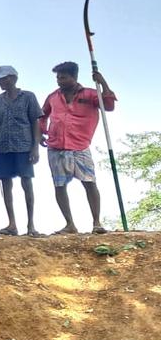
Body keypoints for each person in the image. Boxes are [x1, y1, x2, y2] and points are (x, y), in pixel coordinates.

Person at [40, 62, 117, 235]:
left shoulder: (90, 94)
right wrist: (41, 132)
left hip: (80, 146)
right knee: (59, 185)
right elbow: (42, 115)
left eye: (63, 77)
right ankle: (69, 224)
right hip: (56, 147)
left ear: (74, 77)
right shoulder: (53, 97)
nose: (59, 81)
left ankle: (96, 223)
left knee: (89, 183)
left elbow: (109, 105)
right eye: (58, 77)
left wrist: (102, 82)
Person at [0, 65, 44, 237]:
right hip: (1, 147)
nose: (0, 82)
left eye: (3, 79)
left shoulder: (28, 96)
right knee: (6, 184)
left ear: (12, 78)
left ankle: (31, 225)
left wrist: (35, 147)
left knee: (26, 182)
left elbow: (35, 121)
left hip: (23, 145)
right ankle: (12, 223)